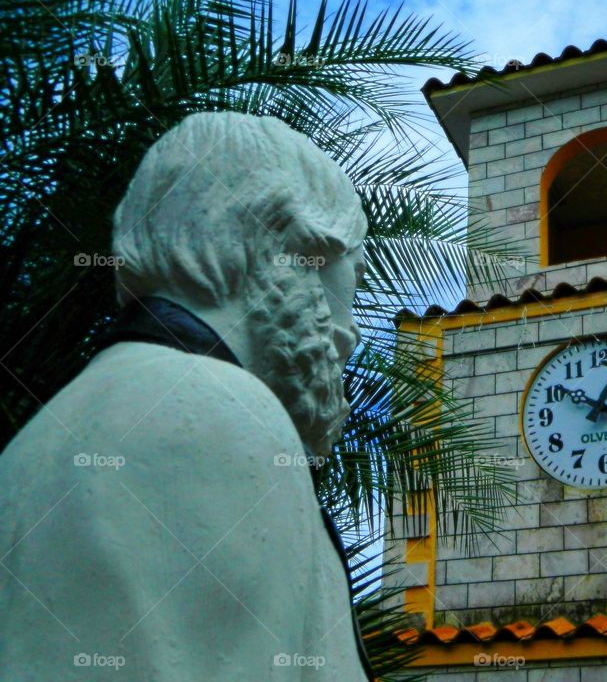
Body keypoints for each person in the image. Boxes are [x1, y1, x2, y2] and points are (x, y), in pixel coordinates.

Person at [0, 112, 372, 680]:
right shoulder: (213, 412)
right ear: (300, 250)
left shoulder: (48, 433)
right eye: (355, 275)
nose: (351, 336)